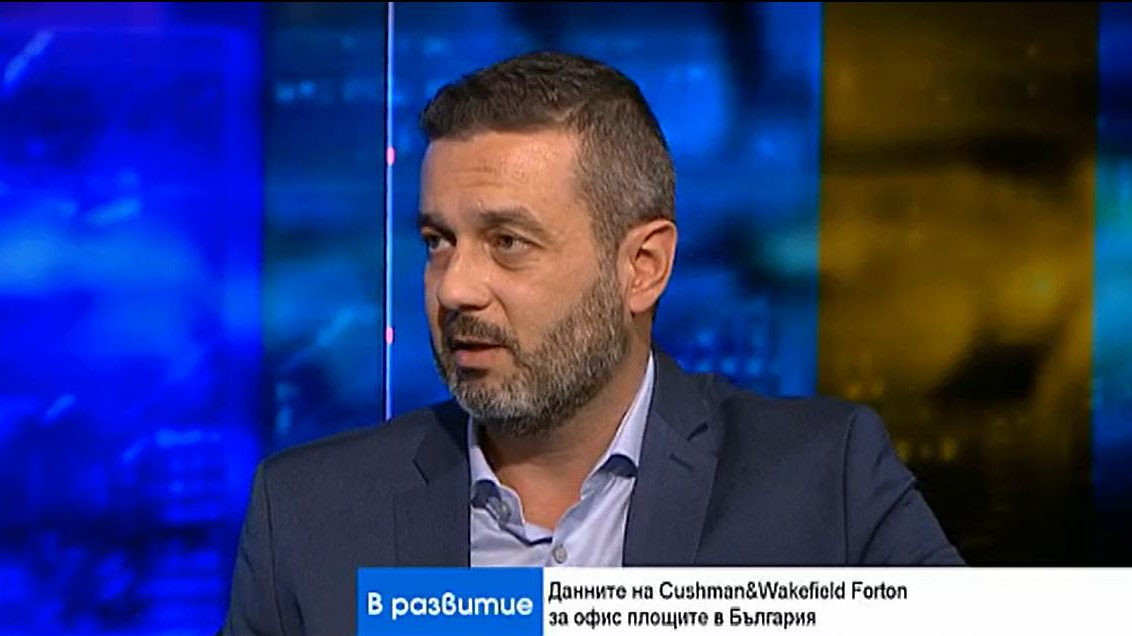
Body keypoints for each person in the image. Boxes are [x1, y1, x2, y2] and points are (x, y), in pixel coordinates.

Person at [222, 51, 962, 635]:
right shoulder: (307, 516)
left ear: (643, 267)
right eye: (438, 242)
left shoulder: (825, 481)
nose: (454, 289)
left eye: (507, 242)